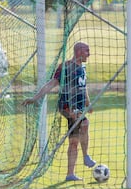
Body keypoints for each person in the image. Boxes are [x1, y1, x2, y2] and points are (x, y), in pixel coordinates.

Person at [22, 41, 96, 181]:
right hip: (67, 105)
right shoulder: (66, 67)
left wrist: (88, 103)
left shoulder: (83, 67)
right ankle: (86, 157)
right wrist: (35, 98)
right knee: (84, 123)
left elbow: (83, 87)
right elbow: (51, 84)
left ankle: (70, 174)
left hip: (78, 106)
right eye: (87, 51)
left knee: (74, 140)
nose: (89, 54)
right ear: (79, 52)